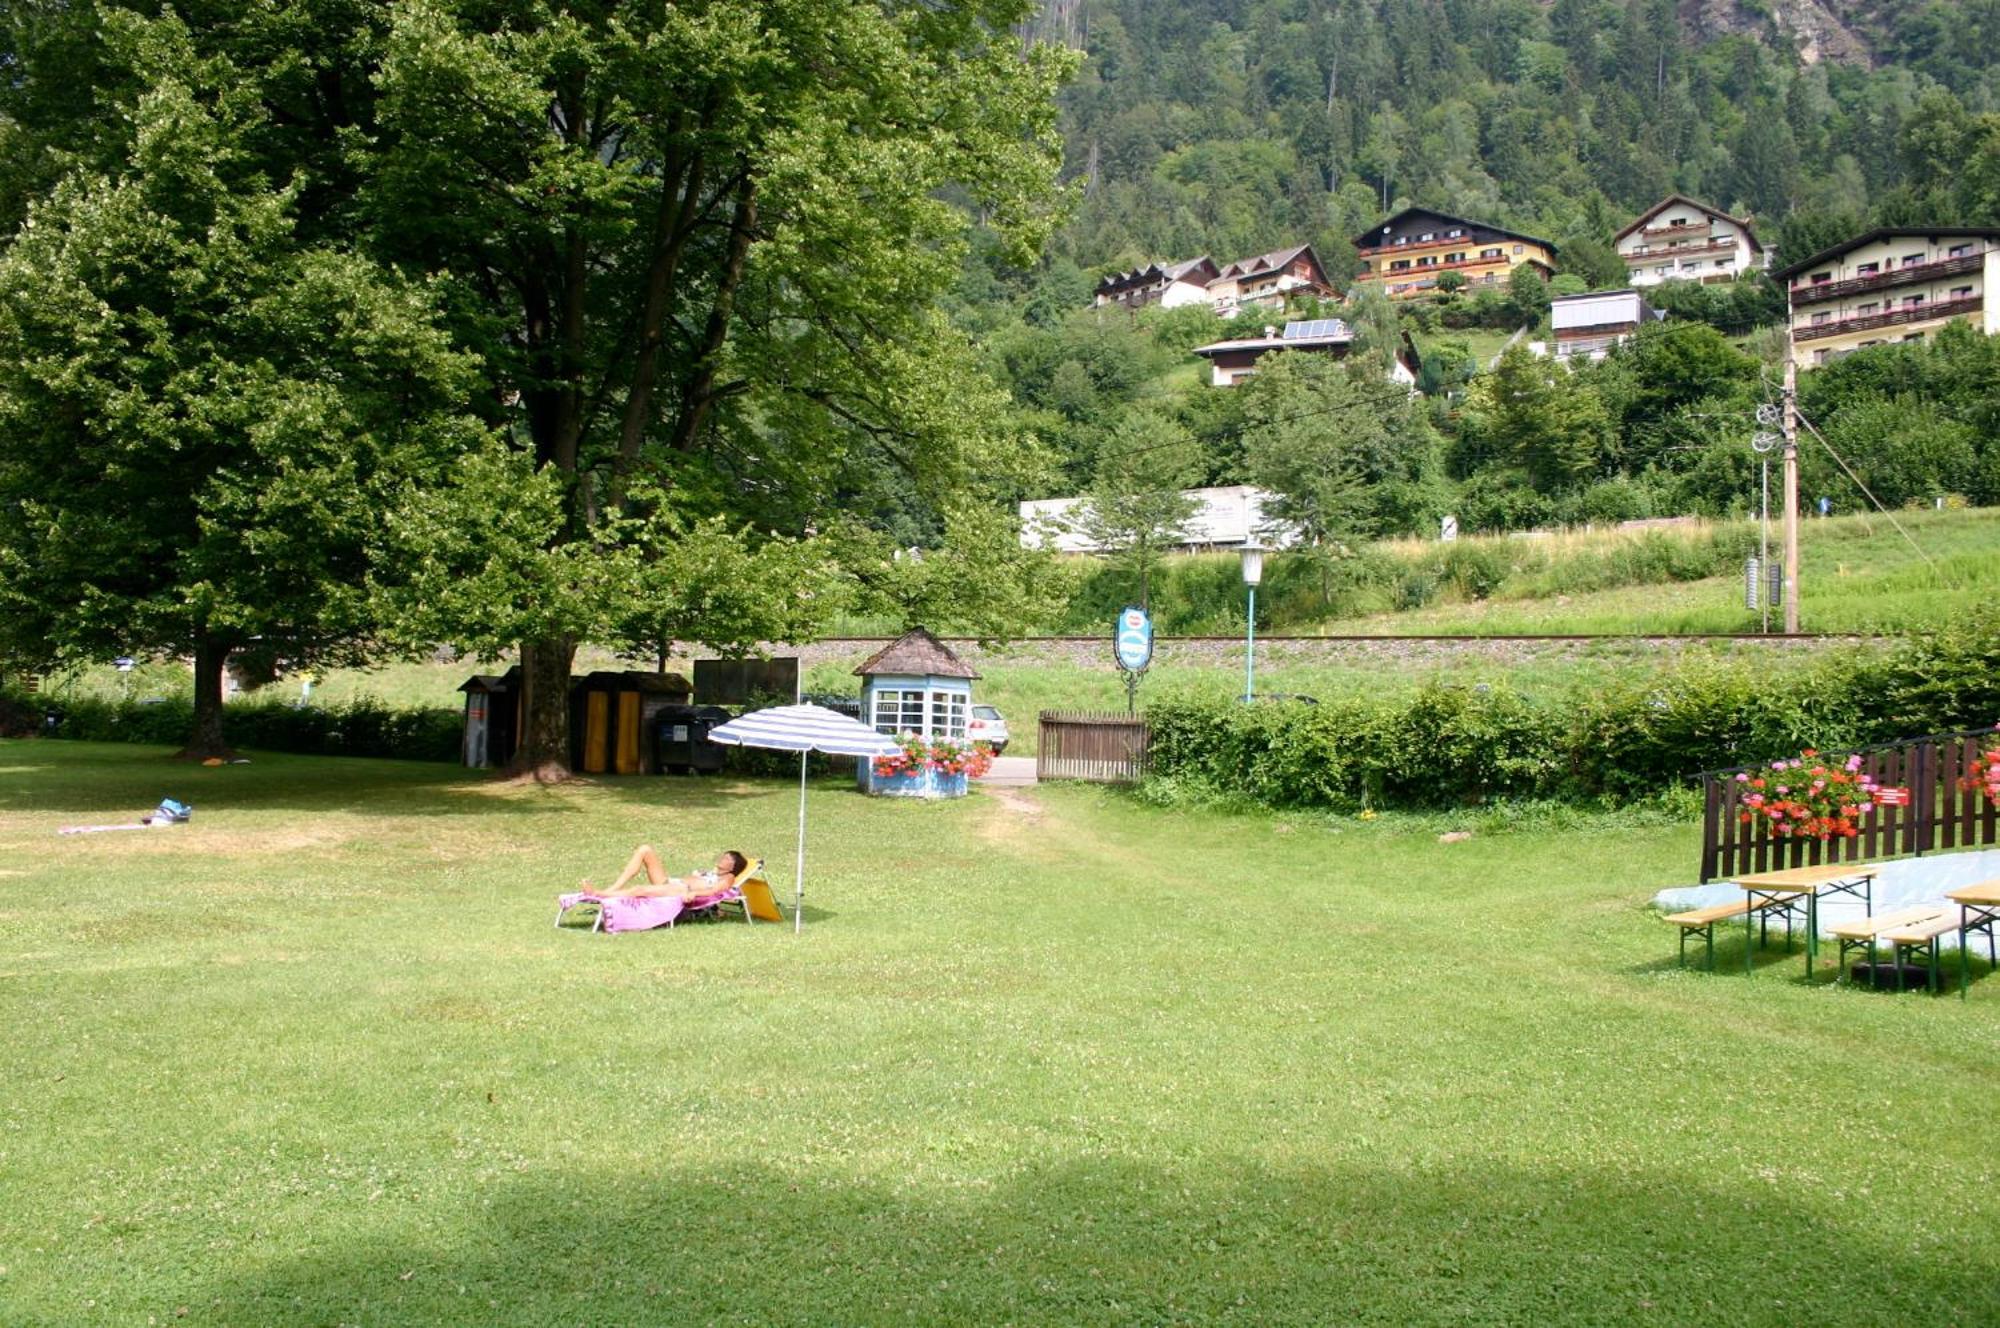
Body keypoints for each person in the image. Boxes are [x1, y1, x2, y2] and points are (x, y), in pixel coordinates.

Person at [582, 848, 748, 900]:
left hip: (681, 890)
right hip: (669, 882)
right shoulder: (713, 872)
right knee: (645, 849)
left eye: (727, 858)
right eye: (724, 855)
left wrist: (694, 893)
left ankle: (599, 894)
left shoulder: (729, 877)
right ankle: (612, 889)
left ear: (733, 866)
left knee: (640, 890)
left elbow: (714, 892)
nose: (722, 858)